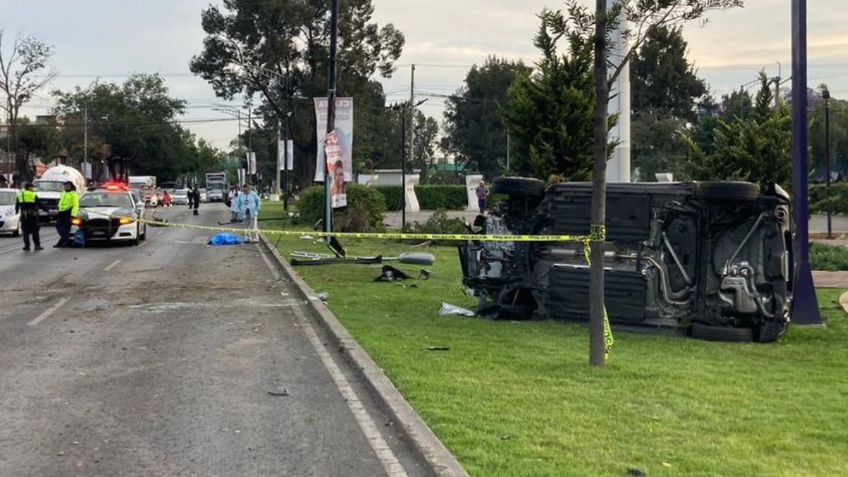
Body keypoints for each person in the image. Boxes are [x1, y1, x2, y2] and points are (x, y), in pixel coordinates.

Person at [16, 182, 48, 251]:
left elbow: (17, 205)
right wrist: (46, 210)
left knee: (25, 232)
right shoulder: (33, 195)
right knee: (35, 231)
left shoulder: (20, 195)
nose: (33, 189)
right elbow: (40, 204)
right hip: (32, 216)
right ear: (29, 188)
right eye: (32, 187)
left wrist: (16, 211)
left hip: (24, 216)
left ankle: (27, 247)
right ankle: (37, 246)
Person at [55, 181, 79, 248]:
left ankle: (63, 242)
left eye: (67, 185)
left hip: (68, 212)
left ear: (71, 186)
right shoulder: (63, 193)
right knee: (58, 226)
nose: (66, 187)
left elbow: (75, 205)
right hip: (61, 212)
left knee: (65, 229)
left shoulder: (73, 194)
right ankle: (66, 240)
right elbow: (61, 201)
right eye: (65, 185)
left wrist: (73, 215)